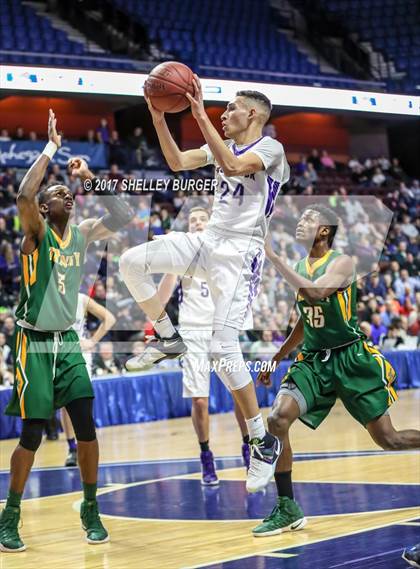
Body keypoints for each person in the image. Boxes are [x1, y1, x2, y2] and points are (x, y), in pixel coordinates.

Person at [120, 79, 290, 493]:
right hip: (208, 242)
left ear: (252, 114)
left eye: (230, 109)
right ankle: (166, 337)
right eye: (220, 110)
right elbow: (178, 162)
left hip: (240, 255)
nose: (222, 114)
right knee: (130, 262)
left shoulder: (270, 148)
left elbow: (233, 167)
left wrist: (196, 113)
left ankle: (260, 440)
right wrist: (159, 118)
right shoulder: (223, 147)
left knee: (221, 347)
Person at [0, 109, 134, 552]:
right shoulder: (35, 234)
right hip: (34, 342)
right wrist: (52, 149)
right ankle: (11, 514)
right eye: (59, 194)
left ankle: (91, 507)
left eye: (68, 194)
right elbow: (23, 193)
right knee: (34, 433)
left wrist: (89, 176)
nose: (67, 197)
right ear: (44, 208)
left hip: (68, 342)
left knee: (87, 426)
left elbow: (123, 215)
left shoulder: (81, 233)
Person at [252, 203, 420, 537]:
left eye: (308, 219)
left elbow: (316, 293)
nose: (300, 223)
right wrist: (278, 355)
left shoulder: (342, 262)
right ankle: (287, 507)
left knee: (388, 439)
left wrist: (273, 257)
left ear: (325, 230)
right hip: (314, 360)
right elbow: (306, 317)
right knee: (277, 419)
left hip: (350, 358)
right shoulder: (301, 265)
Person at [158, 207, 250, 484]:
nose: (197, 222)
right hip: (193, 330)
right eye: (193, 220)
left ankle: (249, 447)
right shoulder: (183, 256)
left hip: (222, 329)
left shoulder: (224, 250)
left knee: (239, 393)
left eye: (202, 219)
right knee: (199, 401)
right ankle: (206, 456)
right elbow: (164, 292)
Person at [62, 292, 116, 467]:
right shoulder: (48, 298)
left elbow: (109, 318)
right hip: (59, 354)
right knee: (65, 404)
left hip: (80, 353)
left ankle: (86, 444)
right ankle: (72, 448)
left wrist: (92, 341)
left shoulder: (81, 299)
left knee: (82, 401)